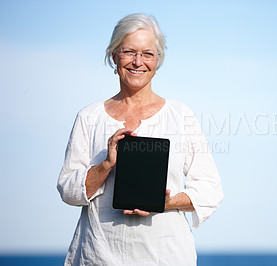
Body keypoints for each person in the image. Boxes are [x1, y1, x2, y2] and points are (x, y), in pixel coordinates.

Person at [57, 13, 223, 265]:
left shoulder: (180, 115)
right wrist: (105, 165)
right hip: (98, 256)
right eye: (129, 52)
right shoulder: (89, 117)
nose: (138, 62)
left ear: (158, 60)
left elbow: (210, 190)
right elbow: (69, 191)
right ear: (114, 55)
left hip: (166, 257)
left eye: (147, 54)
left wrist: (165, 202)